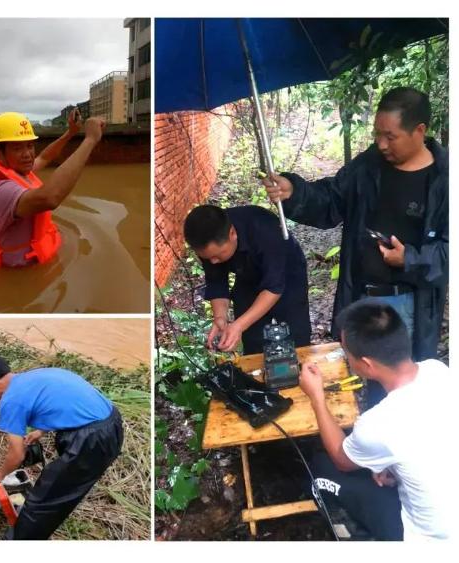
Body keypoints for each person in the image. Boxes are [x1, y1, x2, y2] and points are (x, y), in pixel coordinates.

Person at [262, 87, 447, 367]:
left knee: (404, 394)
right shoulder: (369, 165)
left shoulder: (445, 180)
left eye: (390, 137)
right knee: (369, 387)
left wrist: (409, 258)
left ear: (419, 130)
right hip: (363, 297)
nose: (382, 144)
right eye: (377, 134)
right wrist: (295, 193)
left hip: (410, 306)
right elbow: (331, 201)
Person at [299, 300, 454, 541]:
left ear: (367, 365)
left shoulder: (377, 424)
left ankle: (359, 538)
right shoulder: (438, 370)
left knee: (319, 468)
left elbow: (341, 459)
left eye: (347, 354)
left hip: (429, 539)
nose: (347, 360)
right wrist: (392, 467)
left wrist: (317, 396)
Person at [0, 354, 123, 540]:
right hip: (112, 423)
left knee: (42, 502)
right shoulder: (35, 376)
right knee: (61, 487)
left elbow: (17, 454)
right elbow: (64, 402)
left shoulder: (11, 400)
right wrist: (40, 431)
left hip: (92, 440)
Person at [0, 110, 105, 282]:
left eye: (29, 146)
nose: (27, 154)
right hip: (18, 276)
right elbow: (50, 197)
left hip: (35, 265)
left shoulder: (18, 170)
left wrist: (71, 133)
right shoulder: (2, 190)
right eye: (17, 148)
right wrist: (90, 140)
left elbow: (45, 157)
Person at [183, 204, 311, 354]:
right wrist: (220, 318)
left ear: (232, 233)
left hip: (287, 274)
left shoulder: (265, 230)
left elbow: (273, 287)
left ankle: (302, 371)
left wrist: (238, 326)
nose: (213, 262)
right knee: (253, 338)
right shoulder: (207, 239)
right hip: (247, 276)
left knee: (296, 336)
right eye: (208, 258)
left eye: (218, 255)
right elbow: (216, 281)